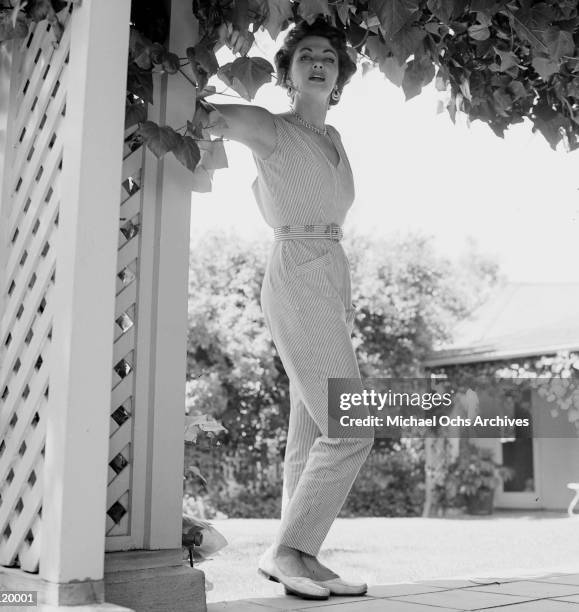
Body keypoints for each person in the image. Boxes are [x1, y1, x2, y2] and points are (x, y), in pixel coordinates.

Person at [209, 17, 376, 600]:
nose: (318, 61)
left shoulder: (335, 140)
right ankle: (284, 551)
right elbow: (205, 115)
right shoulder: (268, 128)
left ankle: (302, 554)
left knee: (311, 430)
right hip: (296, 274)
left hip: (330, 278)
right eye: (304, 53)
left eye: (328, 55)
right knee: (352, 425)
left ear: (338, 75)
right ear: (286, 71)